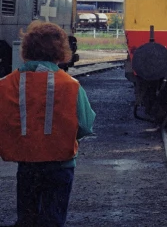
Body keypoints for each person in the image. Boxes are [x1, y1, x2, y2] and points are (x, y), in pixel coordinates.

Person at [0, 21, 96, 226]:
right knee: (53, 218)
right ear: (61, 51)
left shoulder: (6, 84)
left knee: (27, 218)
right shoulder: (71, 86)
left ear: (25, 50)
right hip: (61, 165)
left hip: (26, 164)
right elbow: (86, 125)